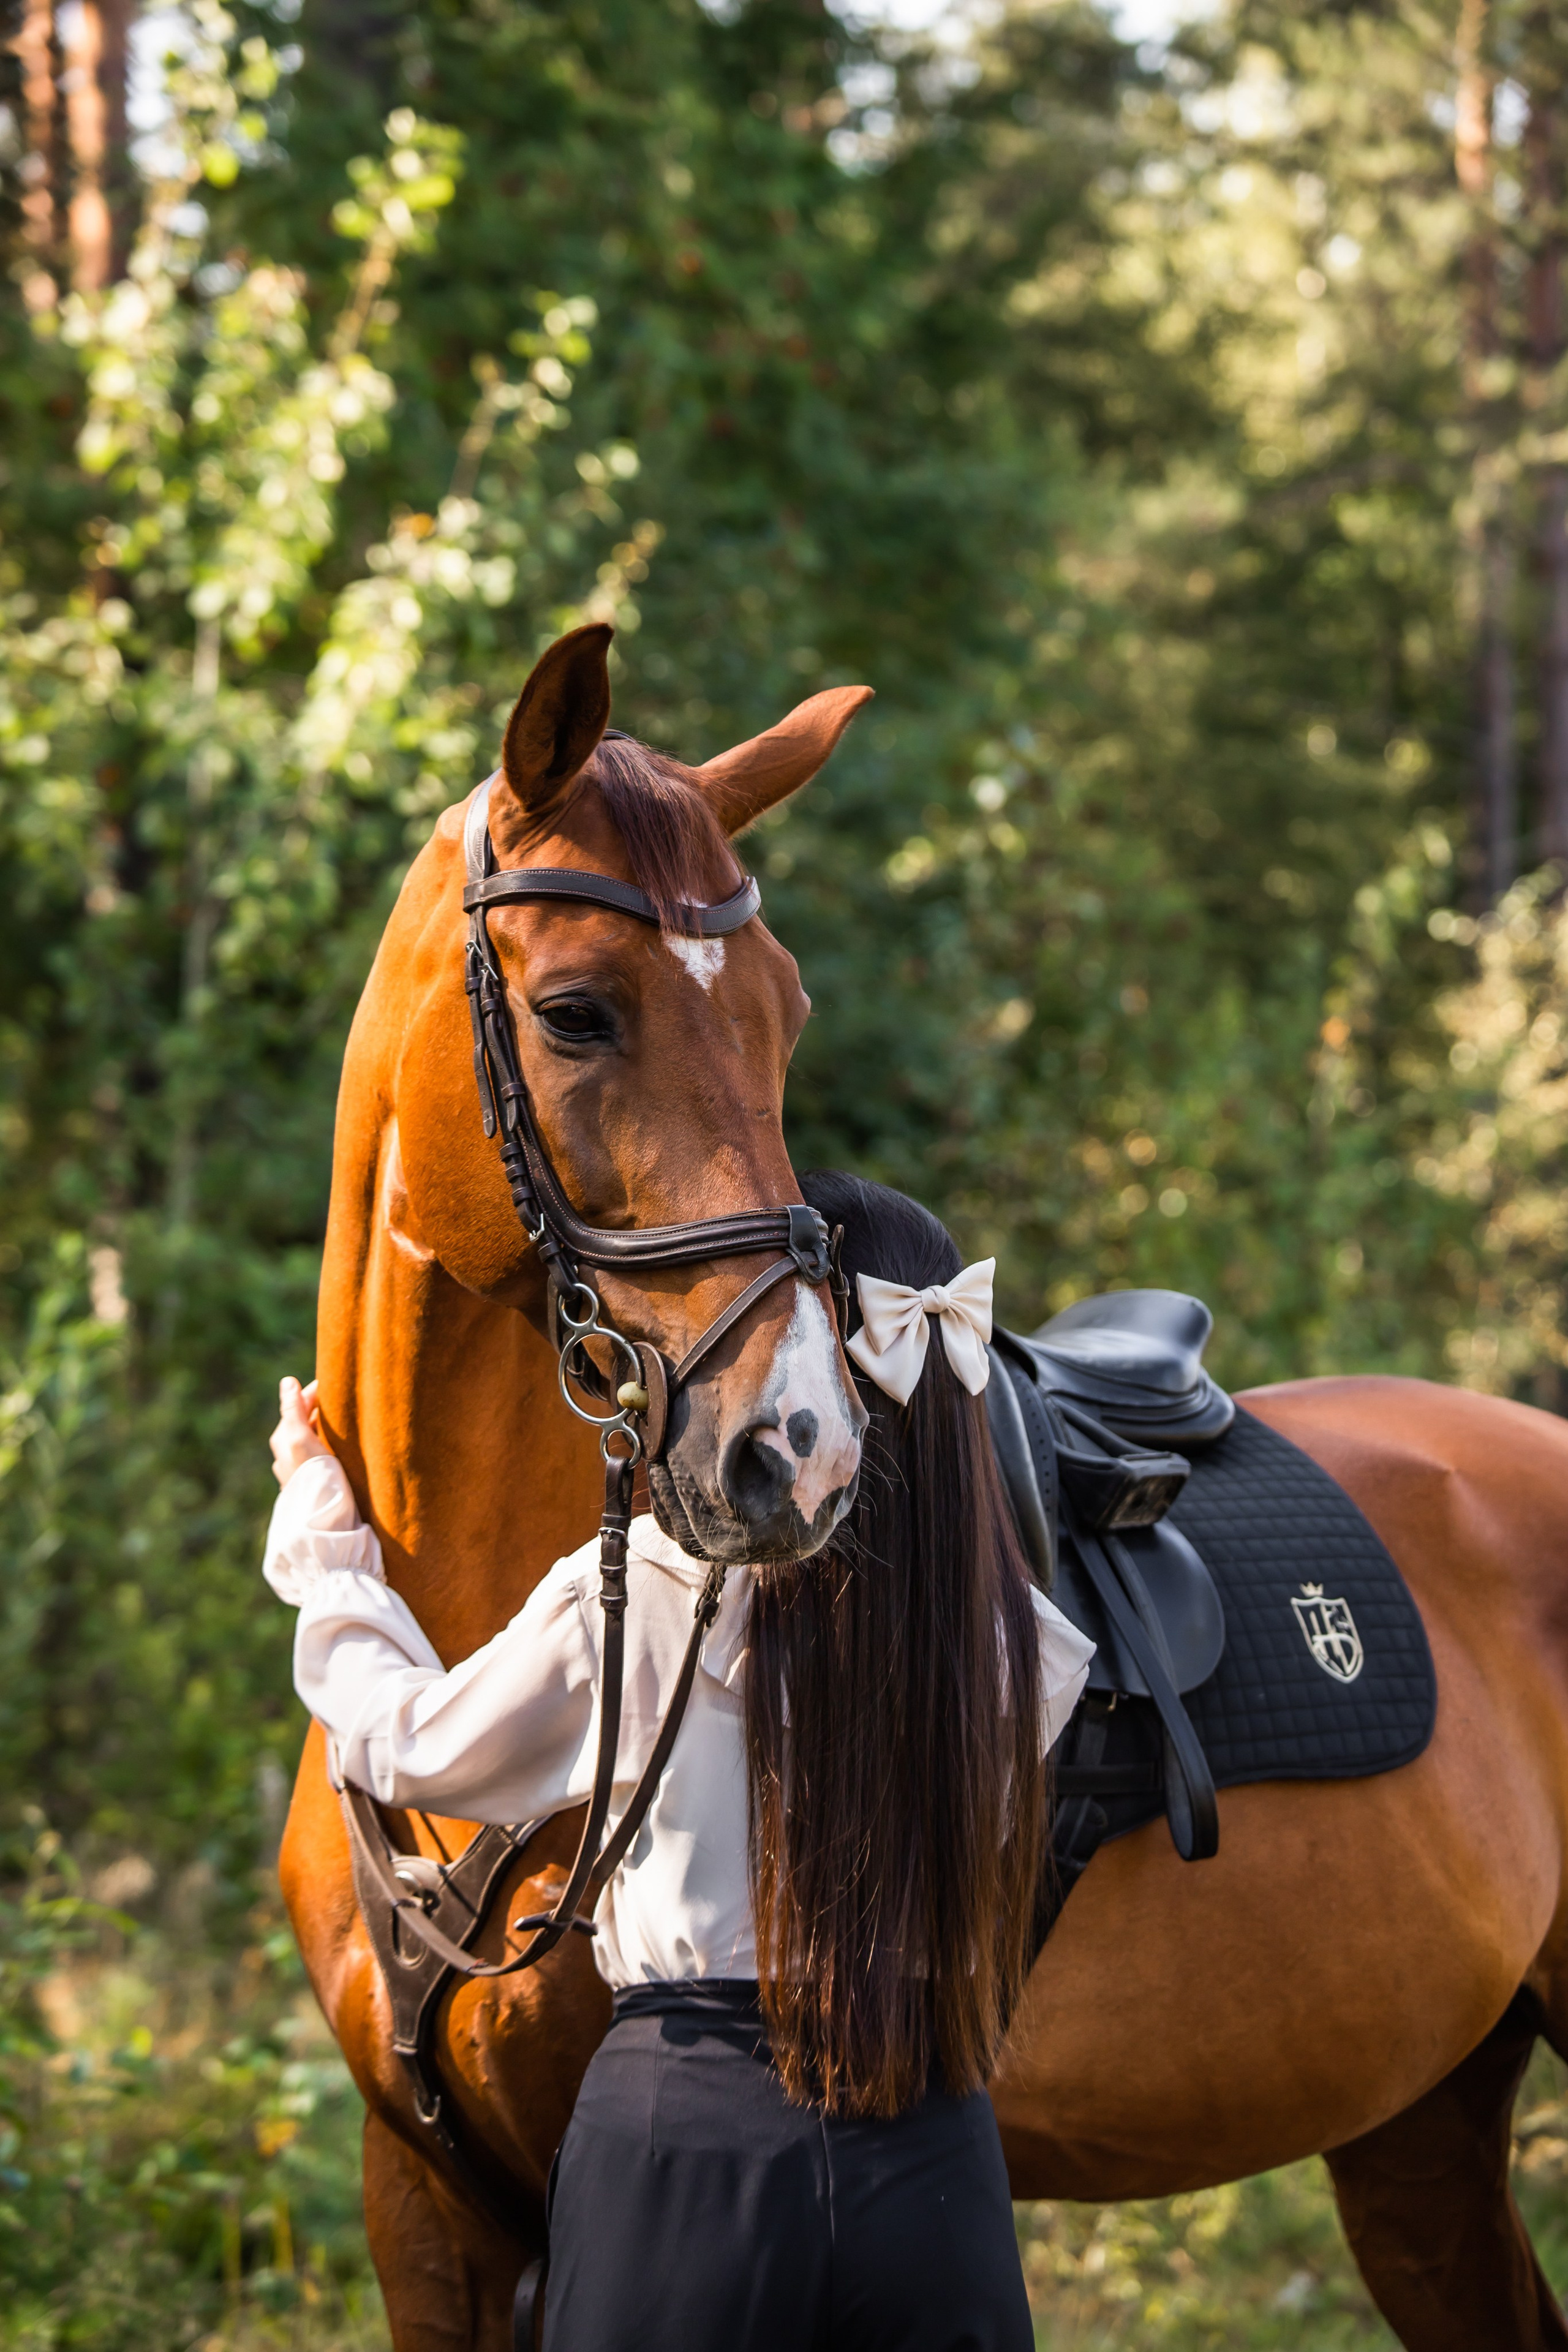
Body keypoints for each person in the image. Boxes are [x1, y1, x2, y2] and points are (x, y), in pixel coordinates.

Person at [263, 1172, 1093, 2351]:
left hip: (687, 2142)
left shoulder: (652, 1589)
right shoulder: (1020, 1645)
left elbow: (405, 1744)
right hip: (934, 2151)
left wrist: (323, 1541)